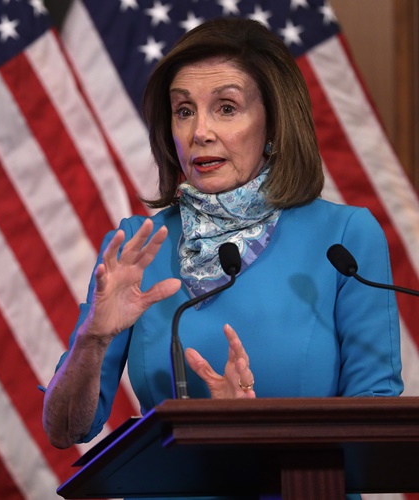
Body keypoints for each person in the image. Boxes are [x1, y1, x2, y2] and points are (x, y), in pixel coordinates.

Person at [42, 17, 403, 499]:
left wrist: (254, 431)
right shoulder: (139, 244)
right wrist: (93, 338)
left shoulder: (342, 237)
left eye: (226, 108)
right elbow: (67, 429)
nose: (200, 132)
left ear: (273, 123)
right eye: (184, 111)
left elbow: (375, 423)